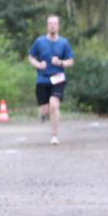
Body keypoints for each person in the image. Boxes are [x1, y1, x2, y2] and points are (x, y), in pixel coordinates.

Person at [28, 14, 74, 145]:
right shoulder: (39, 41)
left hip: (58, 78)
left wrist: (60, 62)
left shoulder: (64, 43)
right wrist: (38, 64)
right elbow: (31, 57)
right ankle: (44, 113)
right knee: (45, 109)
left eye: (55, 23)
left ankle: (54, 135)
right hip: (42, 79)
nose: (52, 25)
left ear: (58, 26)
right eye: (50, 23)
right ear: (47, 26)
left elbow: (70, 61)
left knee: (54, 105)